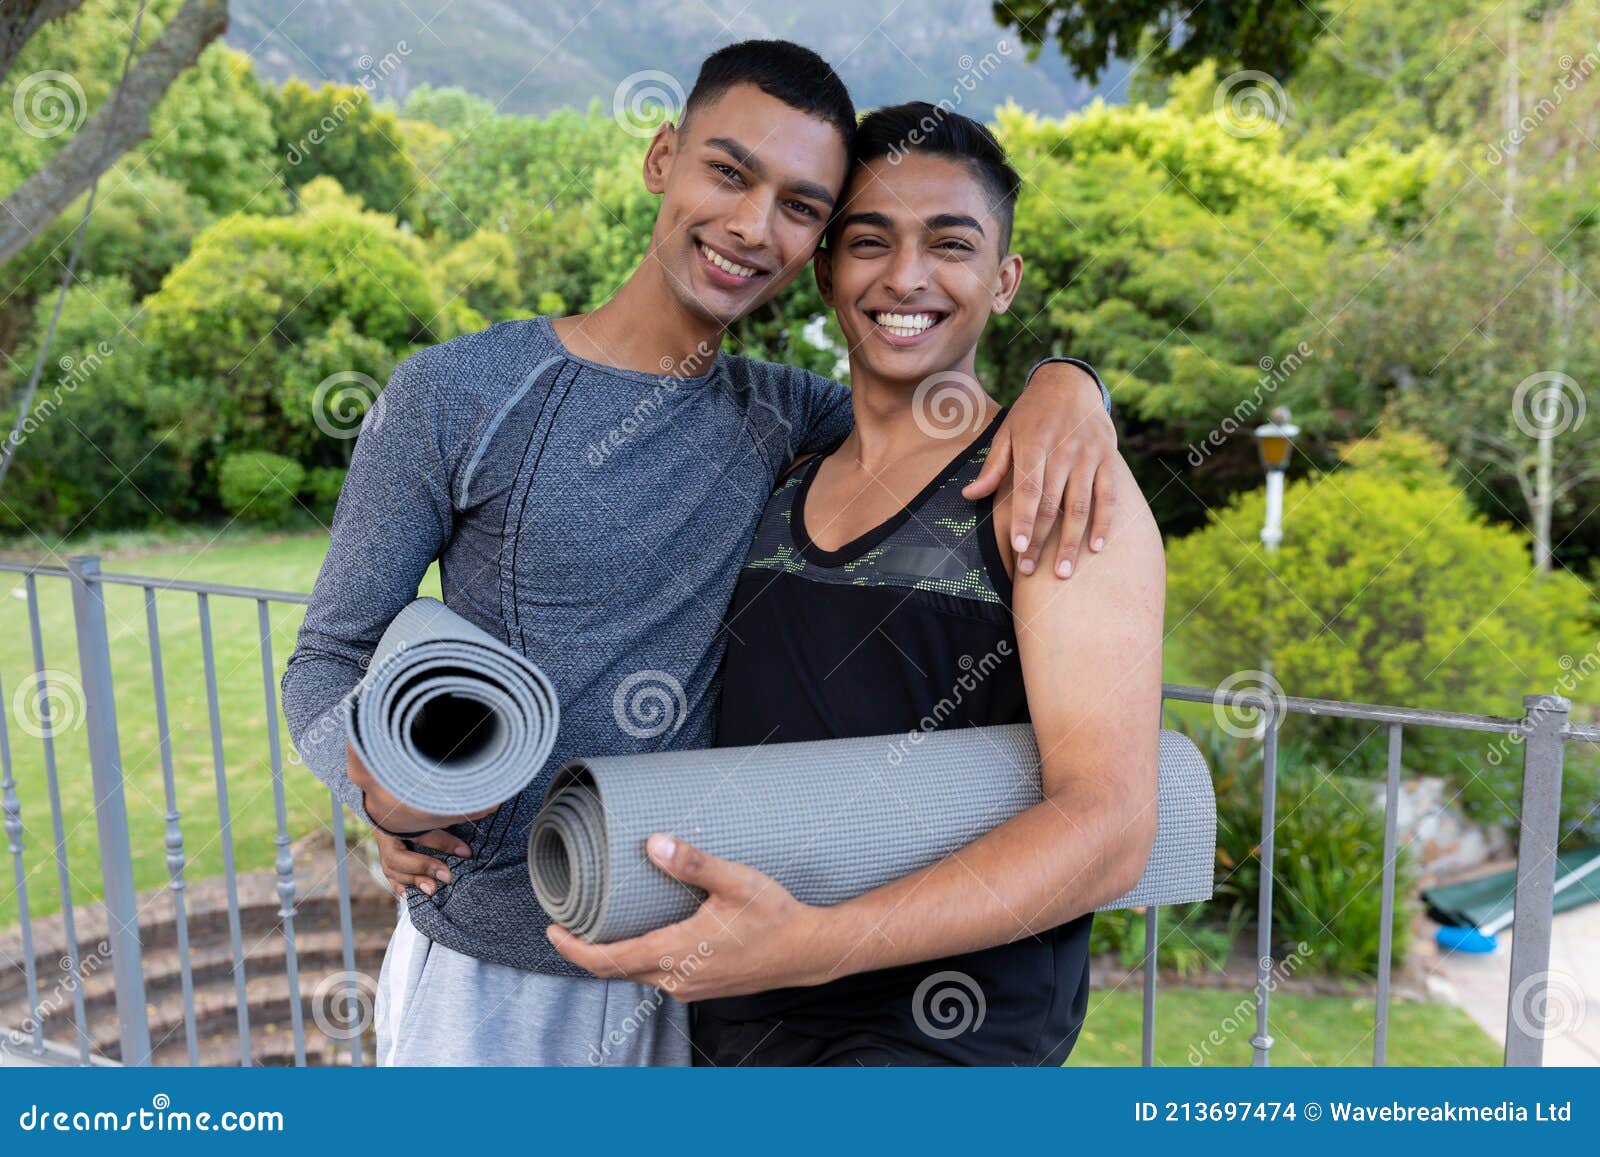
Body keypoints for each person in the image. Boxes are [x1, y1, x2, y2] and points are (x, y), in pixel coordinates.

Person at [284, 42, 1125, 1068]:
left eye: (799, 204)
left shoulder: (795, 418)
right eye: (728, 173)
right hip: (499, 967)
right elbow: (327, 658)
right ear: (662, 158)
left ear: (815, 242)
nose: (749, 227)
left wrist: (1067, 388)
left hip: (709, 969)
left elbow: (938, 410)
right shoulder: (454, 393)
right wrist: (374, 783)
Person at [548, 102, 1166, 1066]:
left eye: (949, 244)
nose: (905, 276)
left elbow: (1110, 827)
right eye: (869, 240)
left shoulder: (1053, 487)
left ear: (1003, 282)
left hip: (939, 1050)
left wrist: (815, 948)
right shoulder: (785, 464)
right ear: (829, 270)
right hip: (731, 1028)